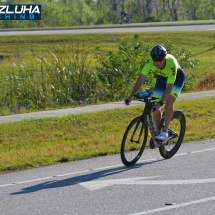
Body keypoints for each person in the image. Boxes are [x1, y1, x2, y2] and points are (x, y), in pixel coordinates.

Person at [124, 45, 186, 142]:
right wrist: (130, 95)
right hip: (162, 76)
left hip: (176, 78)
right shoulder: (149, 62)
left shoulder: (171, 63)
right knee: (154, 107)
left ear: (164, 58)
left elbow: (169, 88)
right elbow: (140, 79)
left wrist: (160, 103)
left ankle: (165, 132)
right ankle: (158, 132)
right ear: (152, 58)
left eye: (160, 60)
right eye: (155, 60)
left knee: (168, 102)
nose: (157, 62)